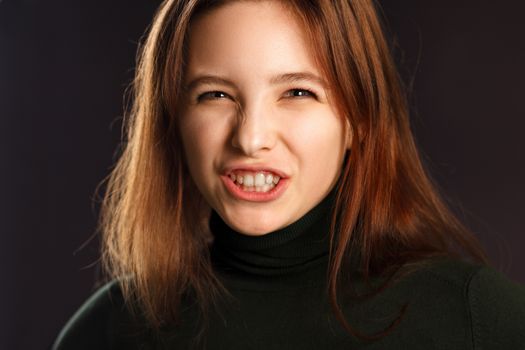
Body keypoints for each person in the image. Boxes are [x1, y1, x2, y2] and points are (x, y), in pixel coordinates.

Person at [52, 0, 525, 349]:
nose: (251, 138)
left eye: (297, 92)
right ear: (173, 119)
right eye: (215, 95)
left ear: (358, 119)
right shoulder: (106, 332)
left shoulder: (476, 319)